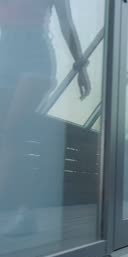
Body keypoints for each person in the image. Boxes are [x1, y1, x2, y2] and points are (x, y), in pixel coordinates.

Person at [0, 0, 91, 236]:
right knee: (11, 140)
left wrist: (81, 67)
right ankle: (25, 213)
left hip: (35, 56)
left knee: (11, 133)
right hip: (6, 53)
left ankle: (25, 212)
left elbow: (66, 24)